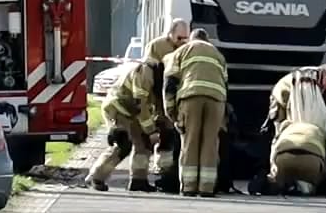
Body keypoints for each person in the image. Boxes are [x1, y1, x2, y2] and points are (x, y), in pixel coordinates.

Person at [163, 26, 229, 197]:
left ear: (191, 38)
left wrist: (170, 111)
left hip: (191, 97)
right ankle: (207, 187)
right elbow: (225, 83)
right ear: (207, 40)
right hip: (216, 100)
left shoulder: (182, 51)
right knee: (210, 143)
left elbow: (170, 82)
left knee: (190, 140)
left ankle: (189, 187)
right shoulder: (218, 54)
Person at [85, 56, 161, 192]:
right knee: (123, 145)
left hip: (127, 110)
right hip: (118, 109)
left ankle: (139, 180)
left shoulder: (152, 72)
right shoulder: (145, 73)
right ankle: (96, 177)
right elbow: (140, 104)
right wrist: (151, 131)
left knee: (141, 144)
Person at [145, 19, 190, 191]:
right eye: (179, 37)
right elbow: (149, 72)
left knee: (173, 134)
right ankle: (161, 169)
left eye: (186, 38)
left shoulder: (186, 47)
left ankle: (170, 170)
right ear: (170, 33)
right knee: (163, 132)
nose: (182, 42)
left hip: (177, 95)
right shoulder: (157, 46)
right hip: (159, 94)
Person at [267, 73, 326, 195]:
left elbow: (273, 149)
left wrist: (273, 174)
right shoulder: (321, 129)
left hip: (283, 161)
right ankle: (306, 186)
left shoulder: (286, 128)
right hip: (311, 164)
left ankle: (283, 183)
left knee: (279, 179)